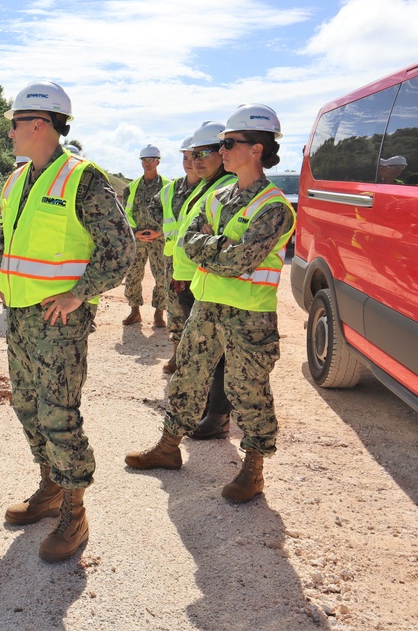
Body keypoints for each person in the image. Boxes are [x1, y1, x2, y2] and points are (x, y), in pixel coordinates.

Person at [125, 104, 296, 504]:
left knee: (247, 389)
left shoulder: (274, 207)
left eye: (229, 143)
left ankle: (253, 468)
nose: (222, 149)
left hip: (249, 314)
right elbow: (187, 240)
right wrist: (217, 248)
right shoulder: (219, 195)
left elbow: (242, 259)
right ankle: (168, 447)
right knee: (187, 374)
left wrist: (211, 247)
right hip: (208, 304)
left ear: (256, 149)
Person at [0, 81, 134, 562]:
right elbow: (6, 242)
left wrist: (80, 293)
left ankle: (74, 513)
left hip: (58, 324)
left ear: (39, 125)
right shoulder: (16, 179)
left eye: (14, 123)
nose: (9, 132)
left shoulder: (84, 178)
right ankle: (50, 486)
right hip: (20, 317)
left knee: (59, 416)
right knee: (27, 407)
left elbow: (121, 248)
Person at [170, 121, 237, 439]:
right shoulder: (206, 185)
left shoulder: (228, 188)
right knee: (202, 352)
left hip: (207, 282)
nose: (196, 160)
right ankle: (210, 408)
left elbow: (218, 241)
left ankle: (218, 416)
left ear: (223, 152)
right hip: (191, 280)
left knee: (215, 353)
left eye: (204, 152)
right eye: (193, 153)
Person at [152, 135, 199, 373]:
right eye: (185, 157)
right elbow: (153, 210)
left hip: (198, 261)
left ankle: (192, 359)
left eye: (194, 156)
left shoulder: (211, 188)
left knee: (195, 312)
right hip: (173, 258)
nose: (189, 162)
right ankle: (175, 354)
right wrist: (154, 231)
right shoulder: (172, 188)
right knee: (175, 309)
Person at [121, 145, 169, 327]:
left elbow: (174, 213)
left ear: (158, 161)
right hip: (138, 239)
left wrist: (159, 231)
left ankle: (159, 313)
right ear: (141, 162)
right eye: (145, 160)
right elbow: (126, 213)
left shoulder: (168, 186)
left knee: (162, 276)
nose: (148, 163)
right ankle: (135, 312)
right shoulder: (131, 187)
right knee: (133, 275)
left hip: (160, 239)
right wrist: (135, 233)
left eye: (151, 160)